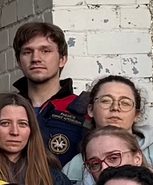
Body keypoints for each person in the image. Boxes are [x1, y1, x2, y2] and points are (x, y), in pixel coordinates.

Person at [8, 22, 91, 166]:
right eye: (27, 52)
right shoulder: (5, 109)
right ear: (19, 62)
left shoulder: (84, 110)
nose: (36, 58)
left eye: (45, 51)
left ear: (62, 59)